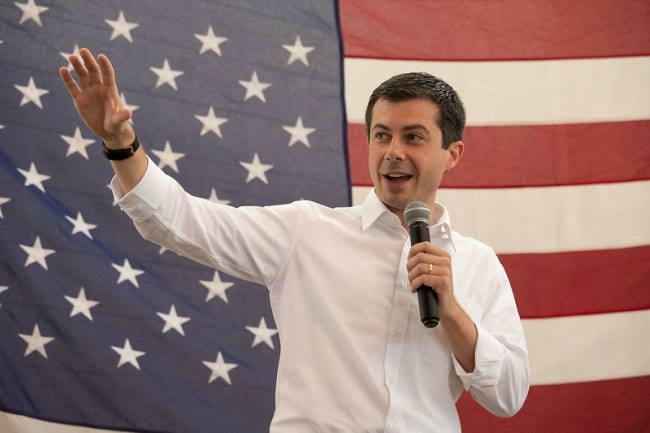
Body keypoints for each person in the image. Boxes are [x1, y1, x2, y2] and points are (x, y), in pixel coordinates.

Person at [59, 48, 530, 432]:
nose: (393, 152)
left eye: (413, 137)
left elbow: (508, 395)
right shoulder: (307, 231)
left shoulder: (479, 265)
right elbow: (181, 221)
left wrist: (451, 312)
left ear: (453, 154)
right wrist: (121, 144)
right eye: (382, 135)